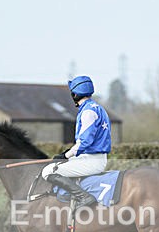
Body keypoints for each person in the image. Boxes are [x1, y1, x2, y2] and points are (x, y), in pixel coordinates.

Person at [42, 75, 112, 209]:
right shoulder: (97, 107)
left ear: (75, 94)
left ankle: (85, 197)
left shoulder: (88, 111)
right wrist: (66, 154)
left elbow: (84, 142)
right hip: (90, 158)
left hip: (91, 161)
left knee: (48, 171)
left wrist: (65, 155)